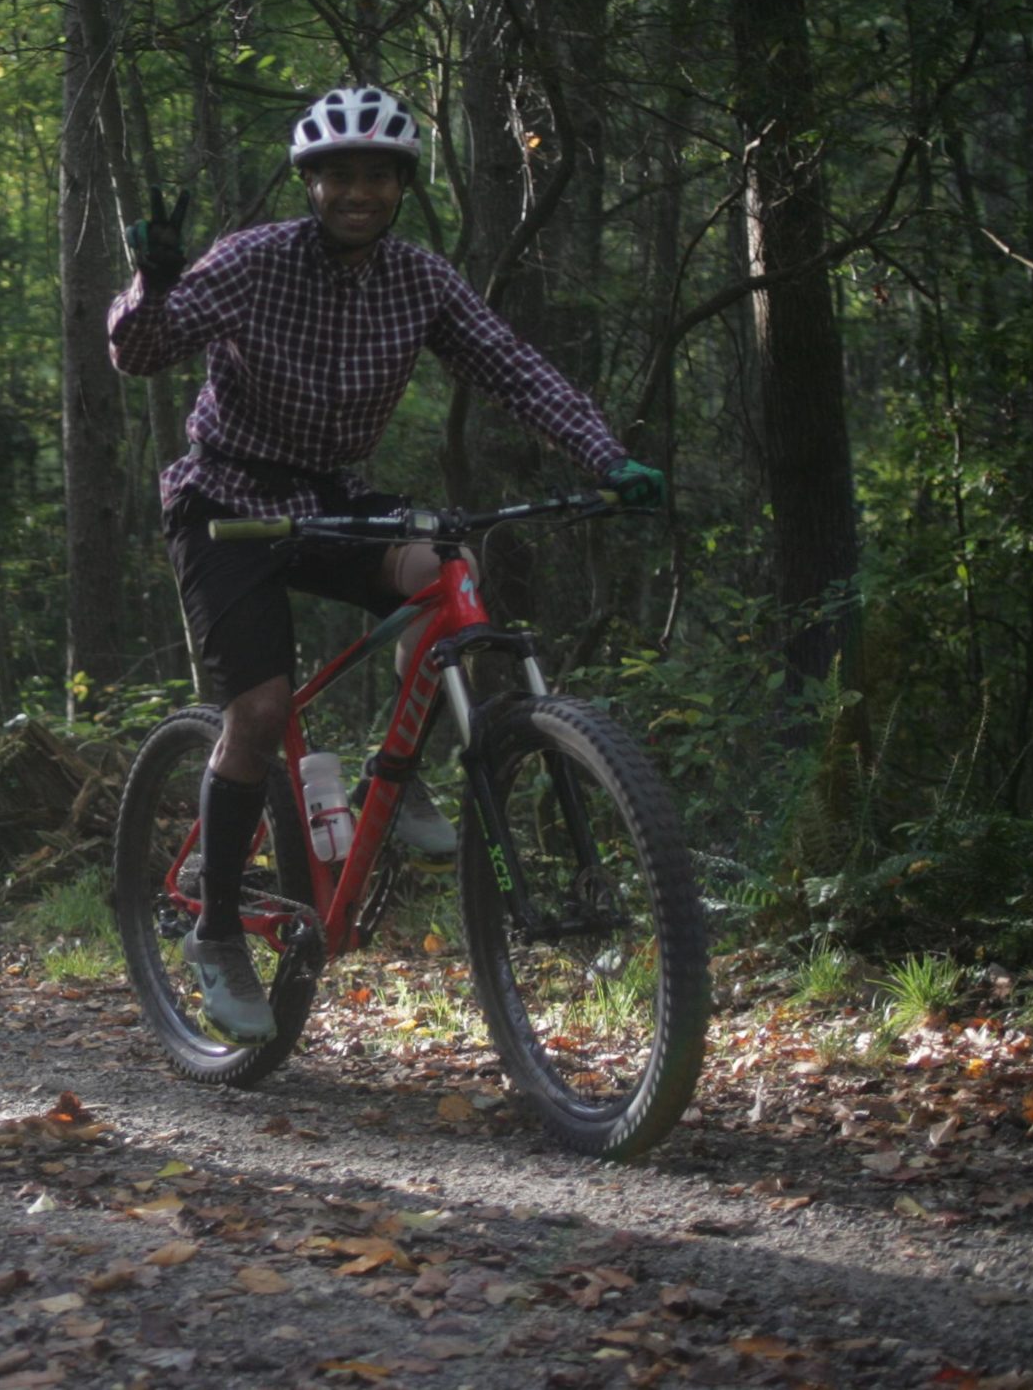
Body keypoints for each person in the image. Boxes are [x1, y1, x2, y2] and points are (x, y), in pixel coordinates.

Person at [107, 85, 666, 1042]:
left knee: (443, 569)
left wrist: (604, 453)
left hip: (327, 496)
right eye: (337, 175)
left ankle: (390, 783)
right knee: (262, 710)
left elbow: (510, 364)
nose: (356, 191)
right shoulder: (254, 261)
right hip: (224, 499)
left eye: (376, 175)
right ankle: (215, 934)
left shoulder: (420, 279)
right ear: (310, 183)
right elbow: (145, 352)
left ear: (401, 185)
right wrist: (152, 285)